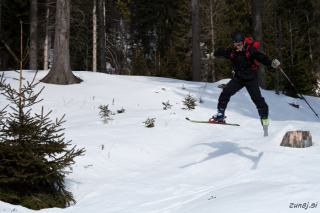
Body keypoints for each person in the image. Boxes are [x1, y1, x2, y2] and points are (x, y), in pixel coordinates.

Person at [212, 33, 280, 125]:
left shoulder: (250, 51)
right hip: (239, 78)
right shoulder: (232, 52)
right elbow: (222, 52)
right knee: (226, 93)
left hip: (251, 79)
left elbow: (261, 57)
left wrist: (271, 63)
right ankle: (220, 113)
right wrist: (213, 54)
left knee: (257, 98)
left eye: (239, 44)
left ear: (243, 43)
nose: (238, 46)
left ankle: (264, 117)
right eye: (236, 44)